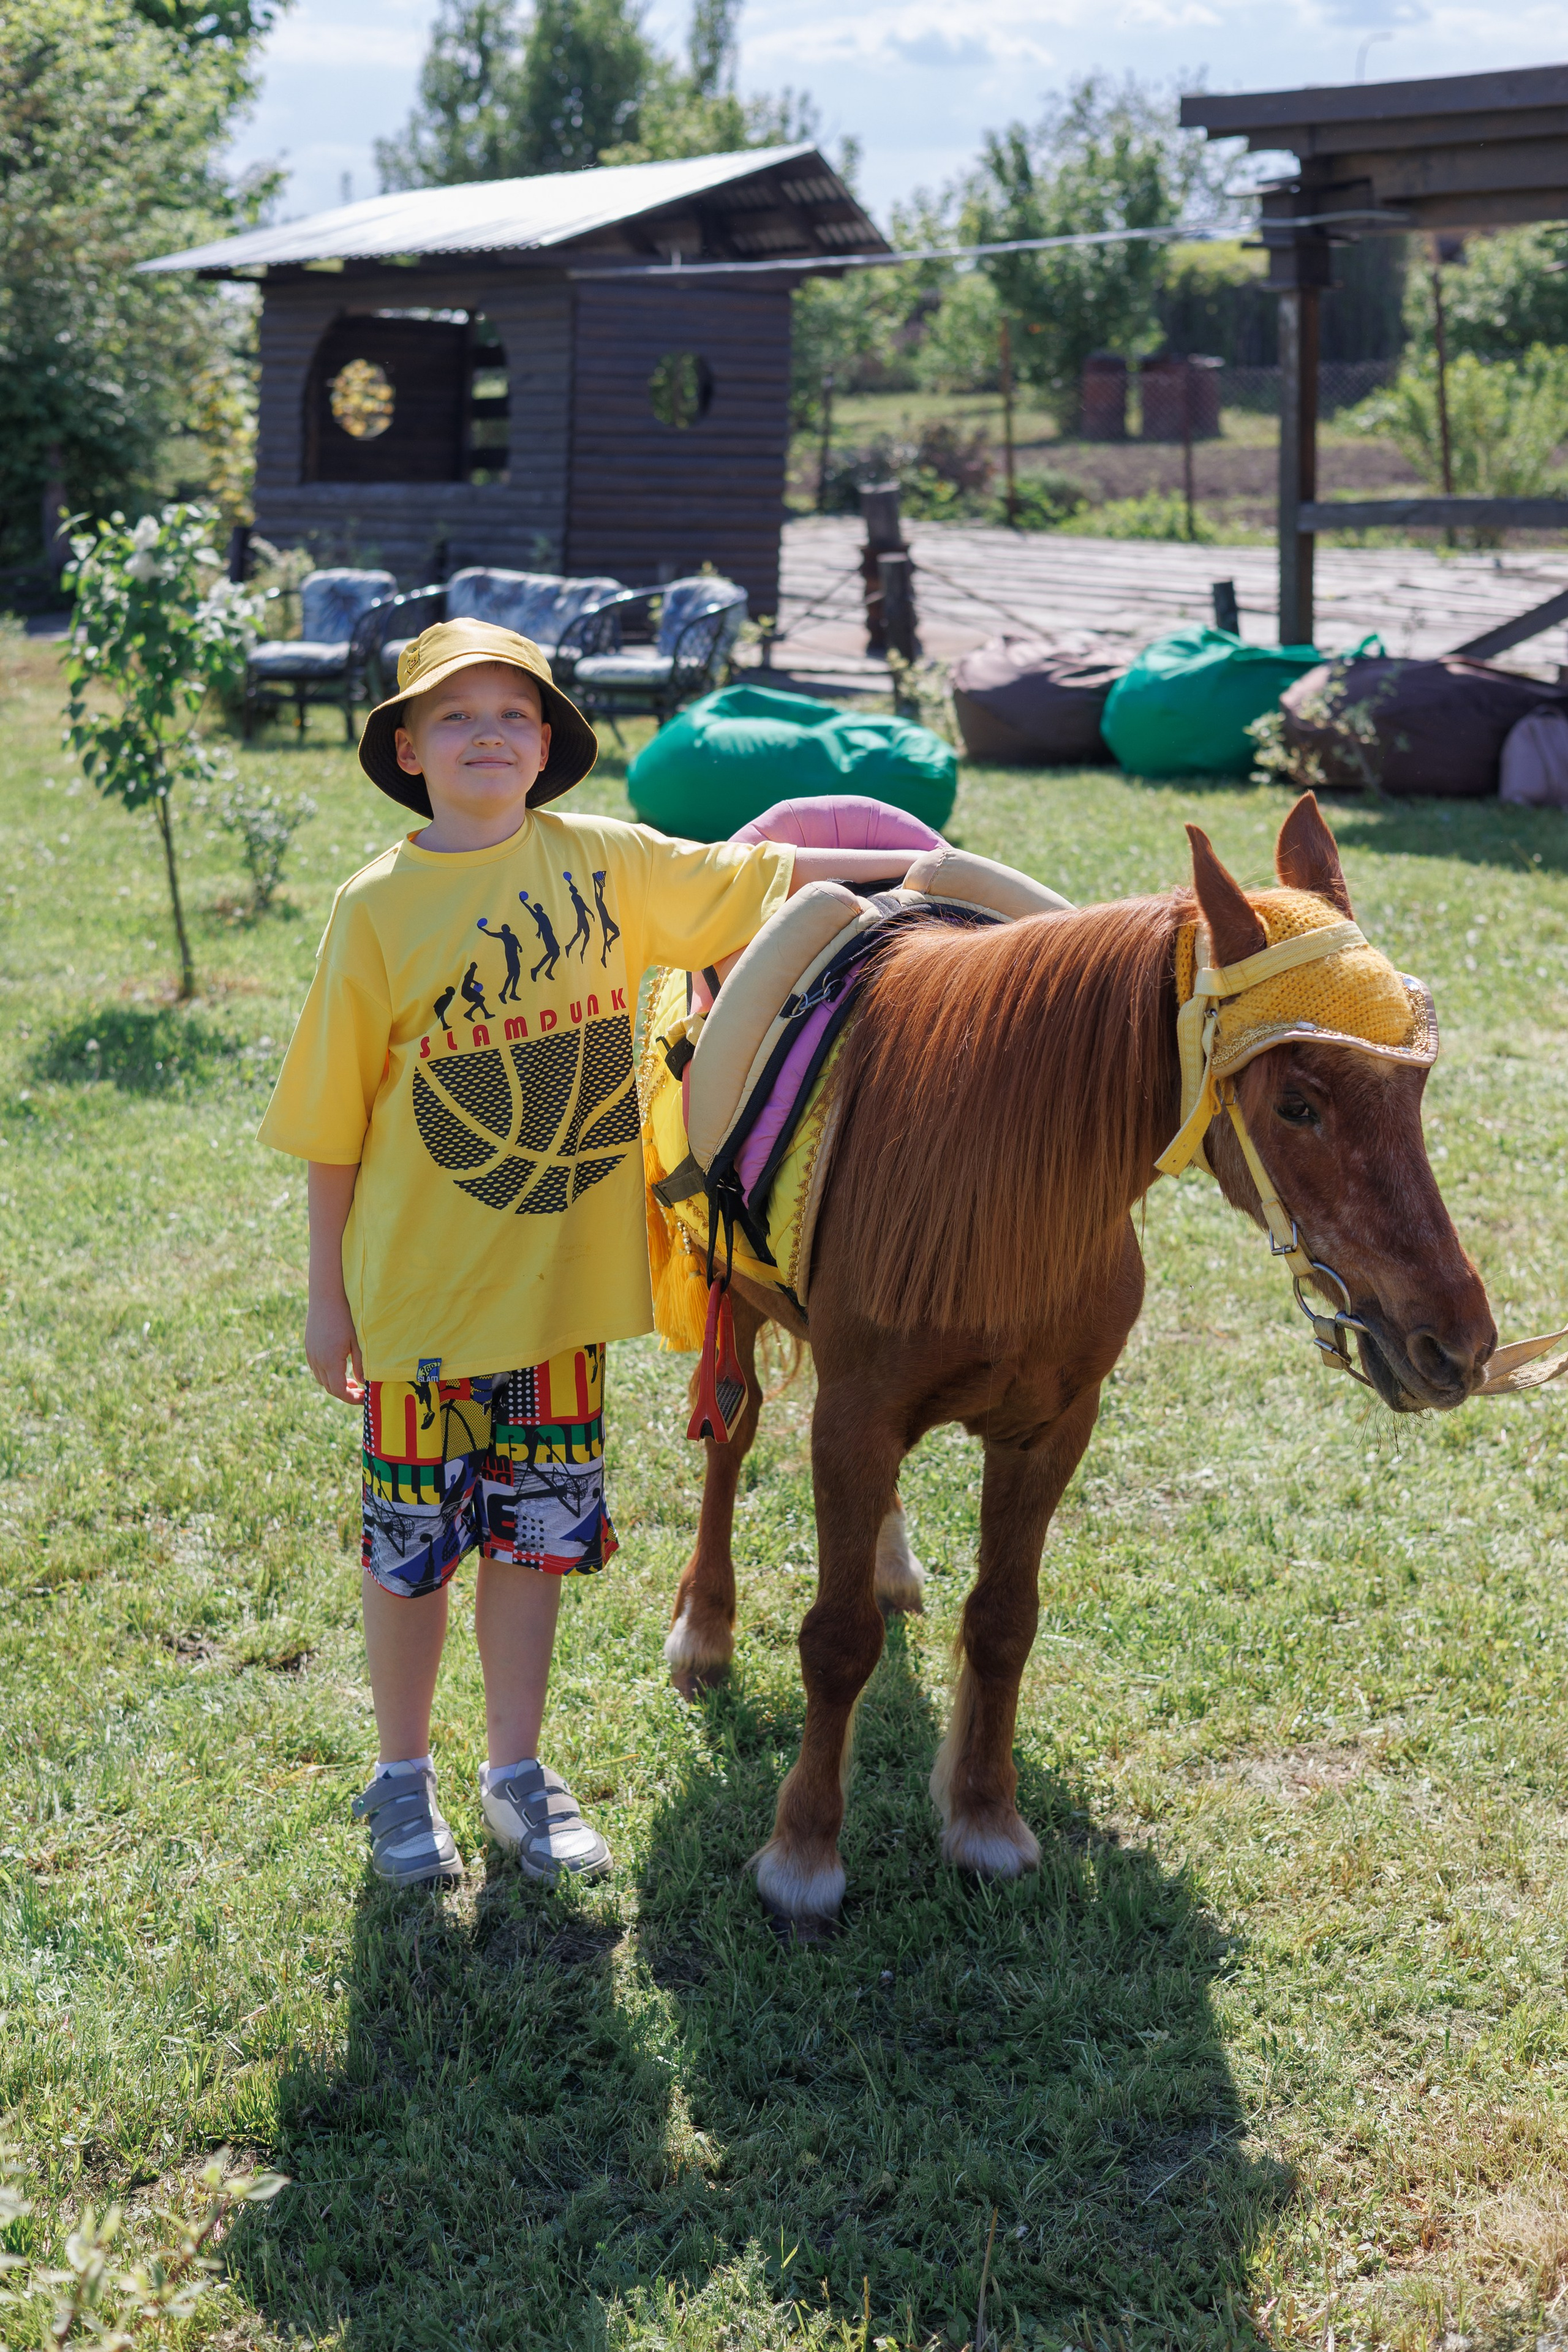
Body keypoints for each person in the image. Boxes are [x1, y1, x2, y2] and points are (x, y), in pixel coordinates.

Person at [259, 618, 920, 1890]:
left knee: (535, 1545)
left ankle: (516, 1771)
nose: (488, 734)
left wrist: (929, 858)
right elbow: (330, 1129)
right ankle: (403, 1783)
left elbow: (764, 878)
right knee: (411, 1554)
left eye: (515, 713)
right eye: (454, 717)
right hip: (418, 1304)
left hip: (560, 1306)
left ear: (550, 741)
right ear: (407, 749)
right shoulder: (377, 910)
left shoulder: (608, 865)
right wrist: (324, 1300)